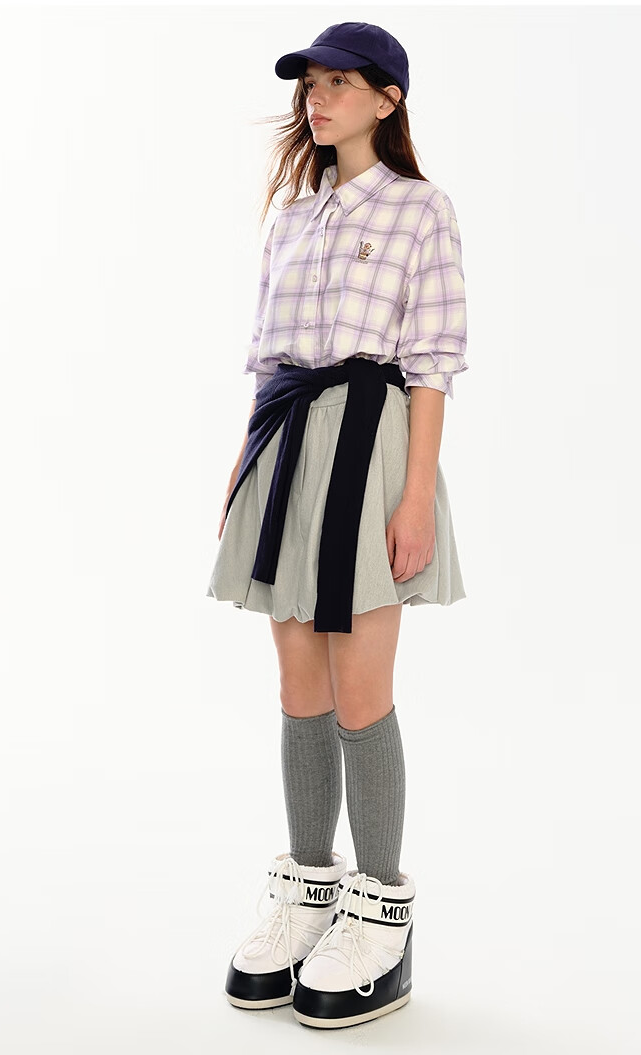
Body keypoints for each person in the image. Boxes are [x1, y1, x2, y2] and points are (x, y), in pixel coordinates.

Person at [206, 22, 468, 1029]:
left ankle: (380, 915)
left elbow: (431, 362)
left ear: (387, 100)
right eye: (310, 85)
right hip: (285, 445)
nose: (318, 99)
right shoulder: (292, 216)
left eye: (340, 84)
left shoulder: (420, 209)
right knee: (298, 685)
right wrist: (242, 470)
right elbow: (267, 358)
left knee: (362, 686)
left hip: (371, 444)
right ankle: (308, 891)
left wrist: (415, 496)